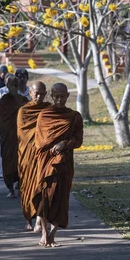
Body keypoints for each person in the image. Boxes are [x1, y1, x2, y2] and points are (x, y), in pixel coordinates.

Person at [33, 83, 83, 247]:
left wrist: (64, 144)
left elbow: (78, 140)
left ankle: (52, 235)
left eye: (62, 96)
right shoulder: (44, 115)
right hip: (47, 163)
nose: (59, 100)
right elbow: (39, 142)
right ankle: (44, 233)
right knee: (46, 197)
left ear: (68, 96)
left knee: (62, 198)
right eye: (56, 96)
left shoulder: (74, 116)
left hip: (65, 163)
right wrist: (51, 152)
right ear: (52, 96)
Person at [17, 81, 50, 230]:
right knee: (26, 186)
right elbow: (22, 133)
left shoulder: (48, 109)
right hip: (27, 155)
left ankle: (39, 216)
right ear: (30, 93)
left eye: (42, 93)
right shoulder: (24, 111)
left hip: (43, 154)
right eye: (36, 93)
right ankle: (27, 217)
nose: (39, 96)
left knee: (41, 185)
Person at [0, 76, 29, 198]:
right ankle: (10, 189)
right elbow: (2, 119)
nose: (13, 88)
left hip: (21, 138)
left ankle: (21, 187)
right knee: (8, 162)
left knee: (22, 162)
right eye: (11, 85)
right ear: (7, 86)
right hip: (8, 137)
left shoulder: (24, 99)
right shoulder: (3, 101)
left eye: (15, 85)